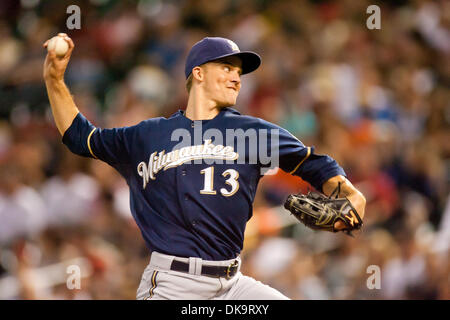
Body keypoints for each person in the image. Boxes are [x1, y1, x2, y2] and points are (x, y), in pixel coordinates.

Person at [43, 34, 366, 300]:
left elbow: (317, 166)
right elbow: (80, 138)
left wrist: (349, 193)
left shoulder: (253, 133)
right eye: (226, 67)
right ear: (198, 73)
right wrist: (55, 79)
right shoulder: (148, 135)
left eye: (239, 71)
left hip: (232, 285)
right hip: (173, 284)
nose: (236, 77)